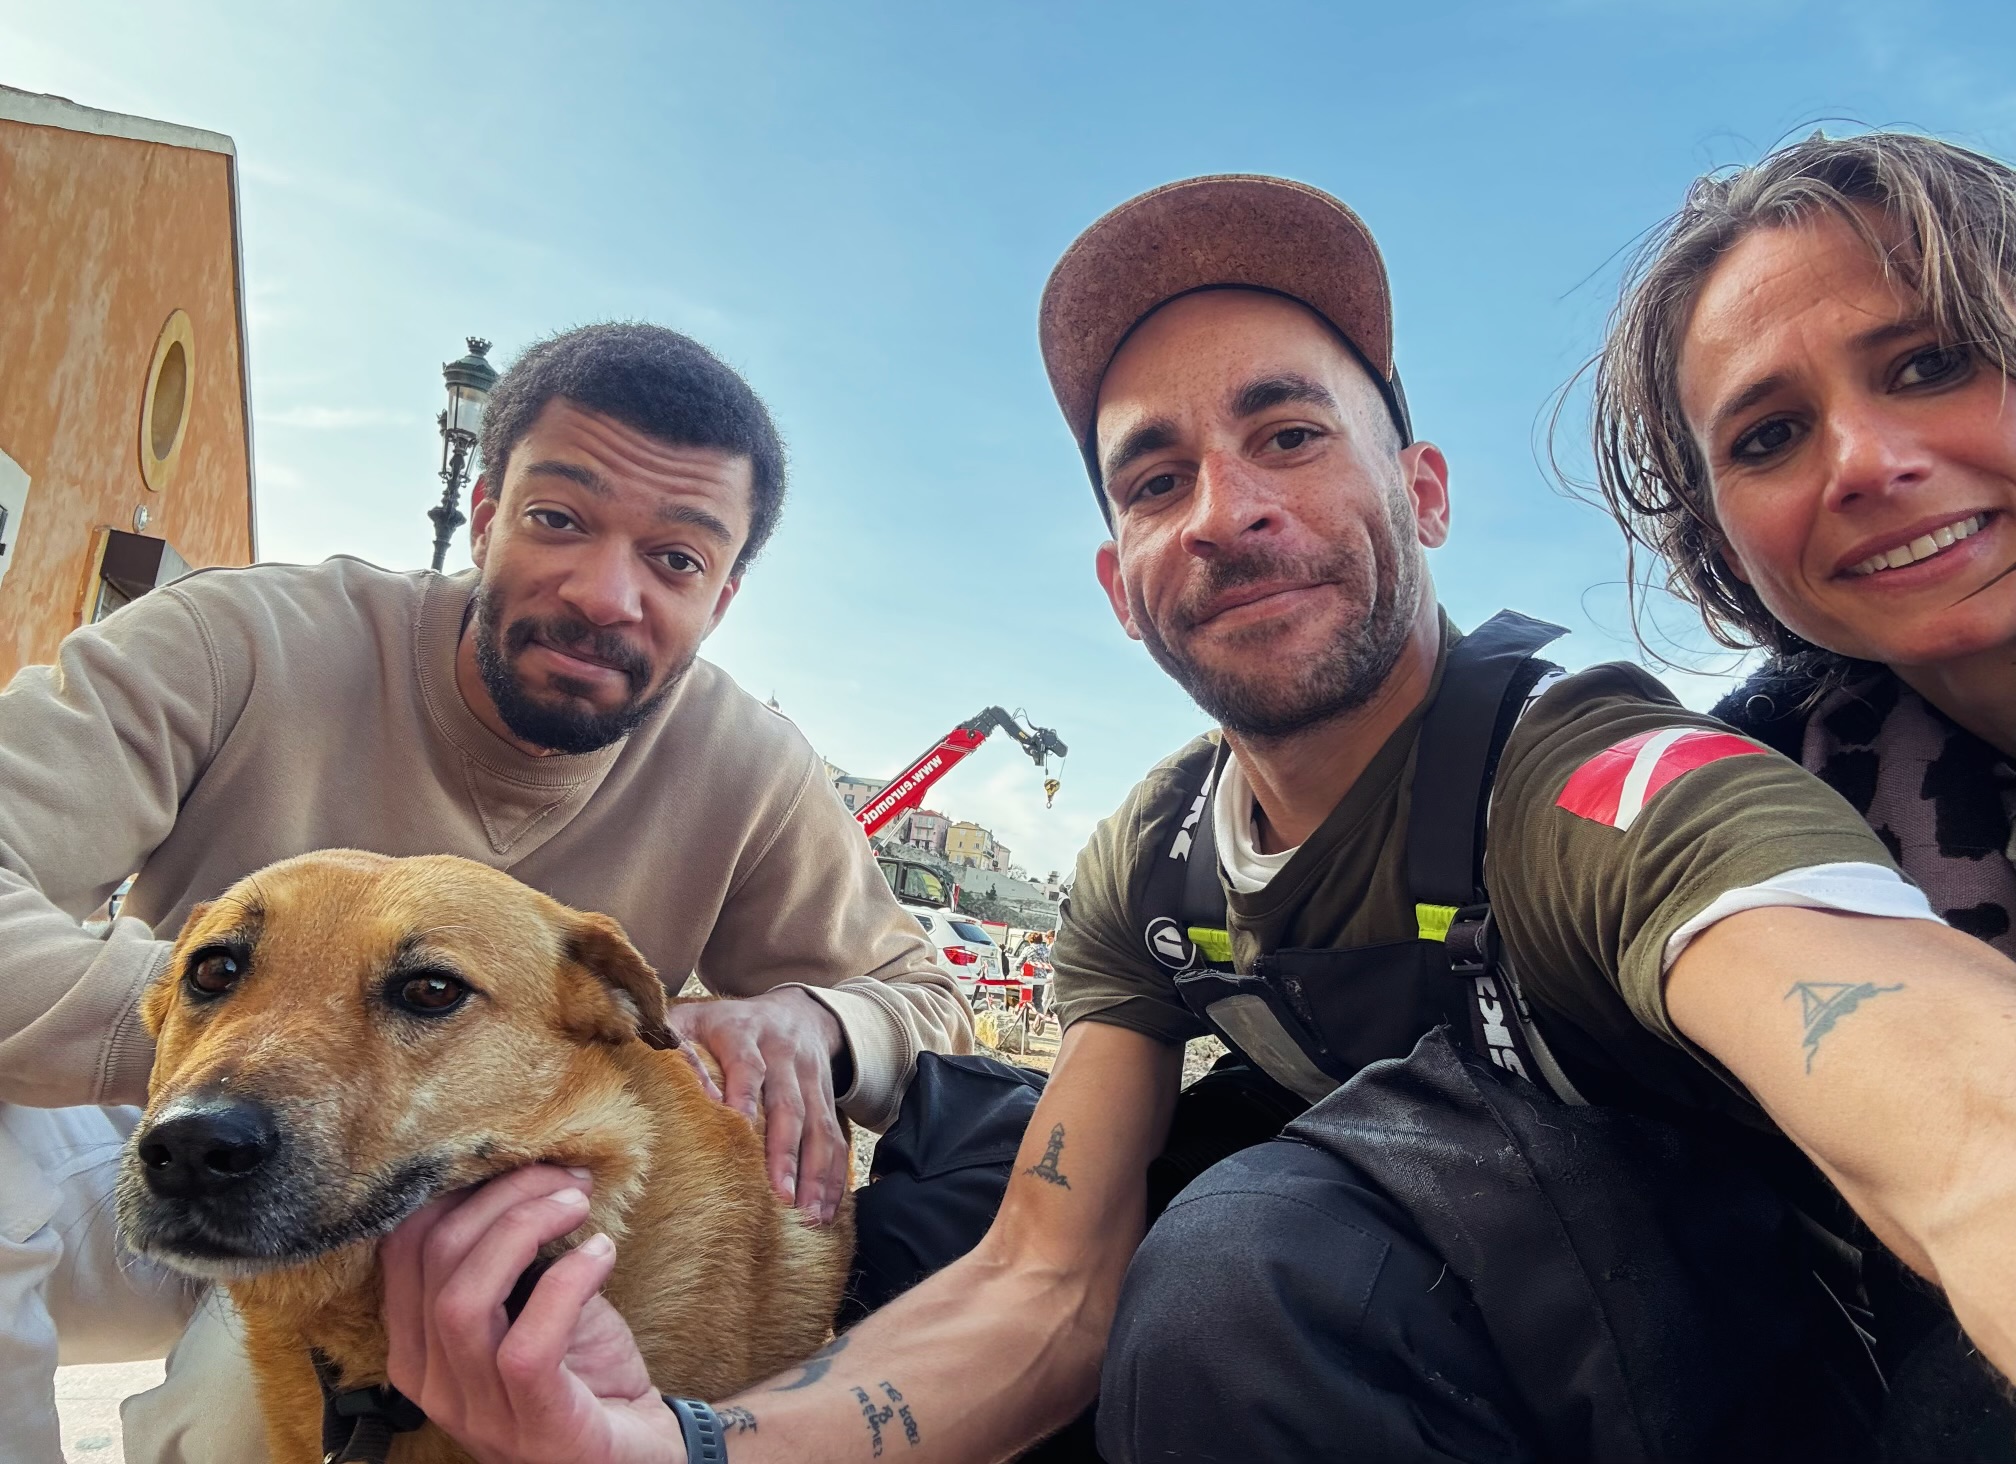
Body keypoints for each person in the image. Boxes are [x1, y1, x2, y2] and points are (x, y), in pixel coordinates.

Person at [383, 176, 2016, 1464]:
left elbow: (1935, 1089)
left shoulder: (1588, 767)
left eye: (1290, 434)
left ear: (1425, 492)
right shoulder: (1153, 862)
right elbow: (1040, 1282)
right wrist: (686, 1441)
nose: (1227, 512)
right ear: (1117, 583)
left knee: (1257, 1251)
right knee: (979, 1147)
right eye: (1156, 478)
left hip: (1739, 1378)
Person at [0, 322, 969, 1464]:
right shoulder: (239, 641)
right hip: (175, 1138)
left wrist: (820, 1019)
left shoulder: (750, 768)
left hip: (466, 1210)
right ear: (483, 515)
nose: (606, 593)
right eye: (559, 519)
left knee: (236, 1424)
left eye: (676, 559)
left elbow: (921, 995)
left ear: (725, 594)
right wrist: (220, 1033)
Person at [1584, 128, 2016, 1450]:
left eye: (1932, 362)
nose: (1863, 462)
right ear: (1720, 542)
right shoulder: (1754, 782)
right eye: (1770, 435)